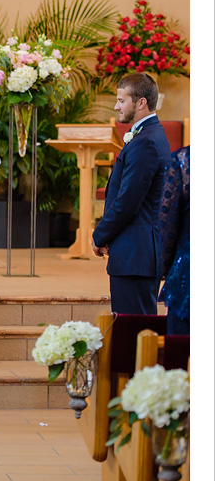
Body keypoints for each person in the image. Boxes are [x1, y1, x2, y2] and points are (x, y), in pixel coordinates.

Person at [92, 73, 171, 314]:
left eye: (121, 100)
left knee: (135, 332)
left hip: (135, 255)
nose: (116, 106)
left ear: (141, 103)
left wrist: (100, 235)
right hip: (135, 253)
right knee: (134, 331)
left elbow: (128, 201)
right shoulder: (147, 135)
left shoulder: (145, 141)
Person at [157, 146, 189, 335]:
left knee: (183, 355)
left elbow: (167, 224)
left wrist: (163, 268)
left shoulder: (184, 160)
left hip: (189, 273)